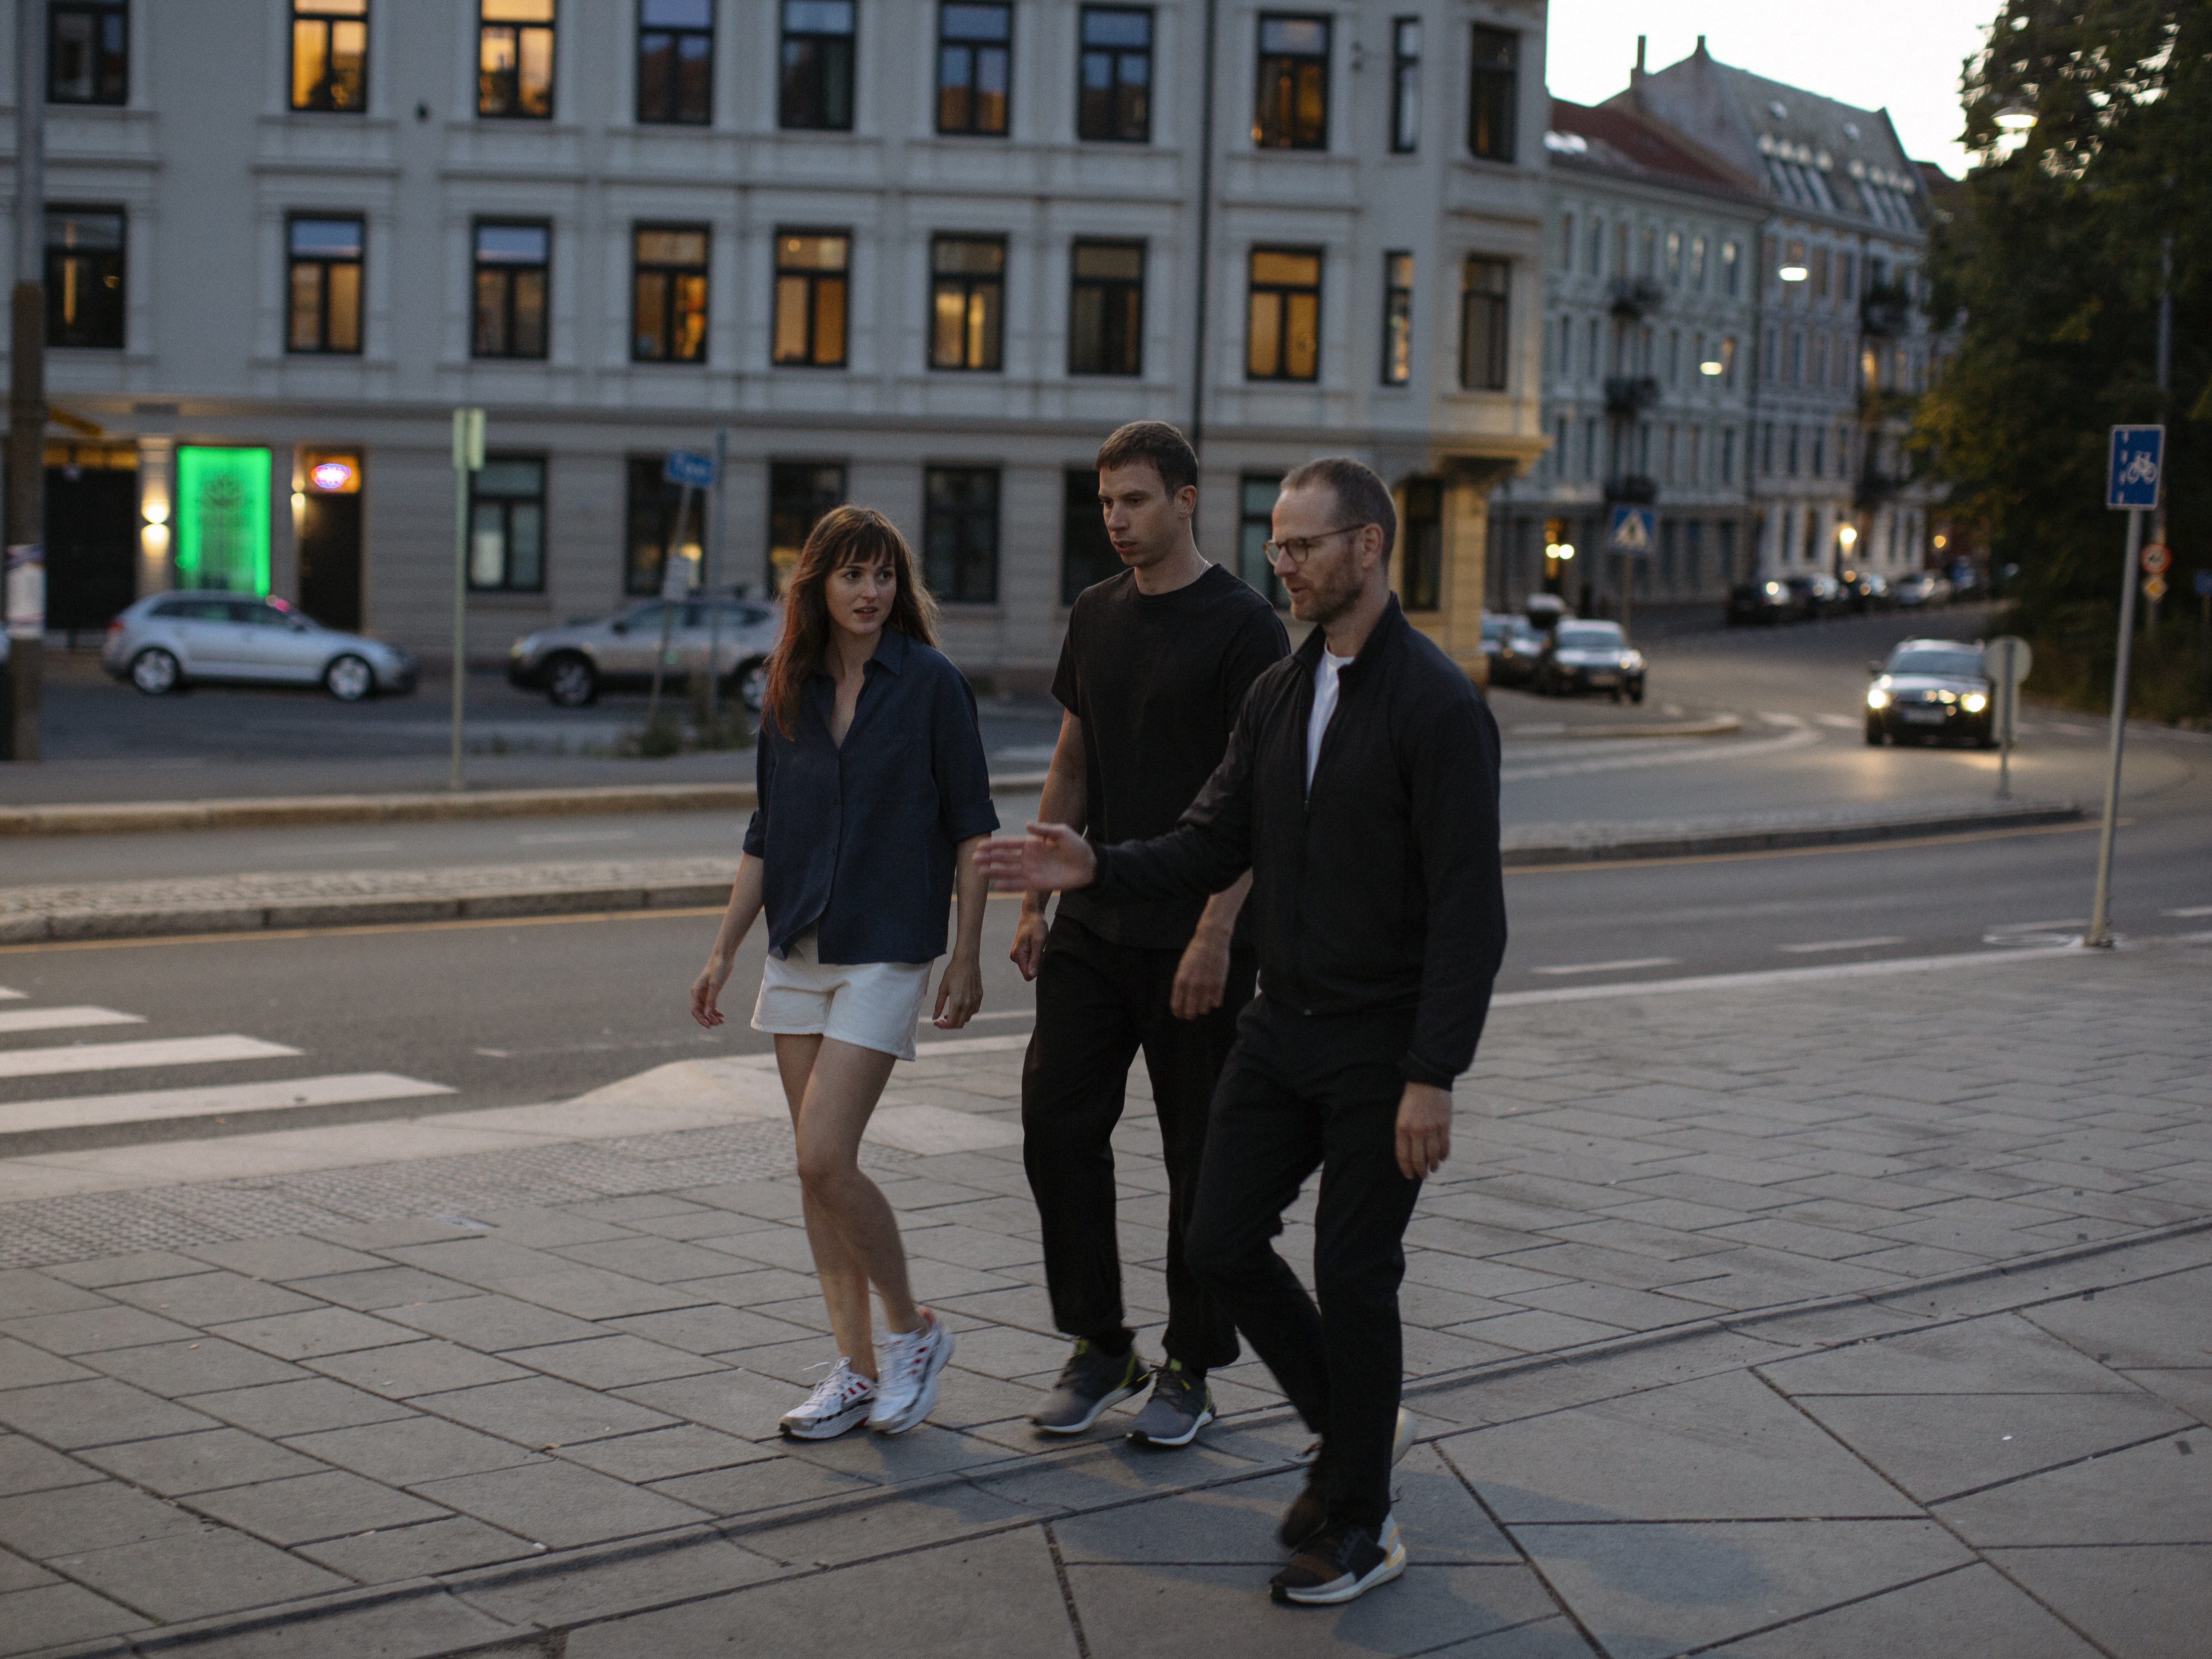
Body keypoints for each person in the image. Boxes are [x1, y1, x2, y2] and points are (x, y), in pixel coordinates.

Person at [979, 458, 1506, 1607]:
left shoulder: (1436, 705)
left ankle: (1360, 1519)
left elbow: (1473, 912)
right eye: (1276, 543)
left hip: (1382, 1045)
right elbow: (1210, 838)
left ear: (1369, 548)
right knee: (1219, 1242)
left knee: (1354, 1275)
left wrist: (1434, 1074)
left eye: (1305, 544)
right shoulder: (1285, 688)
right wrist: (1095, 863)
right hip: (1284, 1029)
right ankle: (1356, 1438)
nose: (1285, 563)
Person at [690, 505, 998, 1441]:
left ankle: (913, 1334)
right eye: (853, 576)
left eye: (884, 576)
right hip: (800, 946)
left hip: (887, 944)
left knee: (827, 1154)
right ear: (817, 585)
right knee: (813, 1174)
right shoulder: (790, 685)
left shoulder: (933, 684)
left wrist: (970, 953)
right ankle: (855, 1371)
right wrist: (724, 947)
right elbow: (765, 831)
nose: (871, 593)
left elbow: (972, 827)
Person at [1014, 421, 1288, 1445]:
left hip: (1198, 937)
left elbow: (1262, 798)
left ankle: (1191, 1364)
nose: (1118, 522)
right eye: (1105, 504)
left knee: (1198, 1157)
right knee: (1055, 1125)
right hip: (1095, 919)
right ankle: (1098, 1341)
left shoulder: (1245, 628)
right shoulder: (1095, 614)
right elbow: (1073, 759)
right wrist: (1037, 896)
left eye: (1135, 500)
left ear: (1185, 499)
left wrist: (1220, 930)